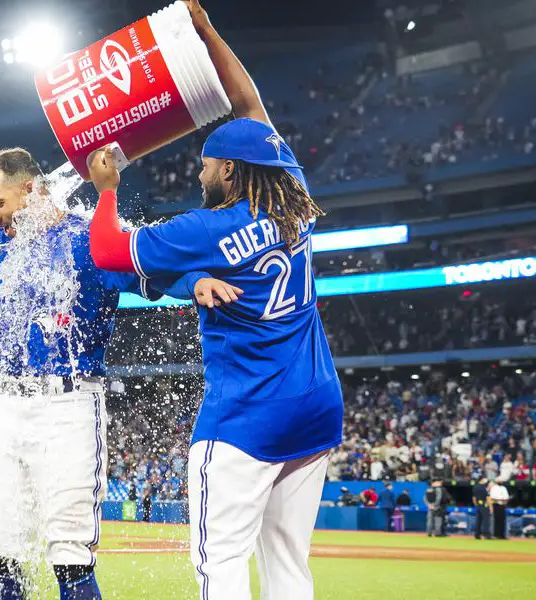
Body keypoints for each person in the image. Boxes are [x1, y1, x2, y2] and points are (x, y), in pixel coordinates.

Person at [0, 147, 206, 600]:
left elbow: (153, 272)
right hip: (3, 406)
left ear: (30, 190)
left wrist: (195, 282)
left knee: (69, 554)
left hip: (68, 407)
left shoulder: (89, 239)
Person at [87, 2, 343, 597]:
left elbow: (107, 251)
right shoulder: (294, 196)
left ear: (228, 169)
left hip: (246, 417)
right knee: (288, 566)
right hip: (316, 404)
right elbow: (250, 107)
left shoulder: (204, 229)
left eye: (206, 164)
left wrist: (107, 191)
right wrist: (204, 29)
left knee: (220, 562)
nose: (198, 173)